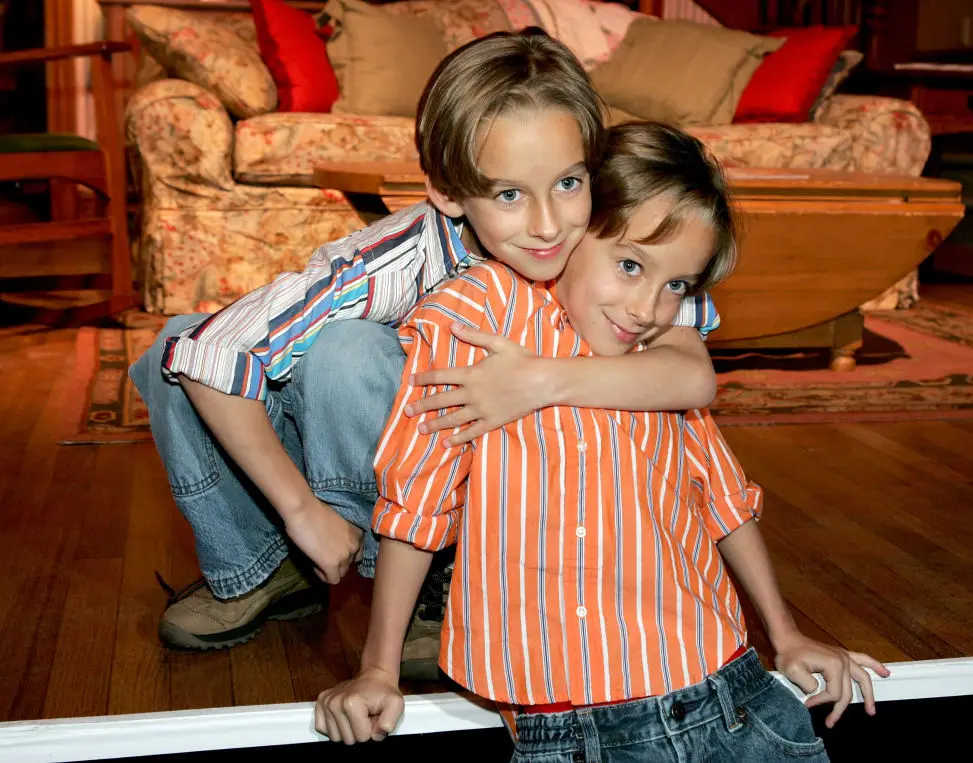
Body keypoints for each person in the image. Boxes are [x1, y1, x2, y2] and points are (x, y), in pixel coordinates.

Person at [128, 29, 720, 657]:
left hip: (539, 508)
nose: (548, 224)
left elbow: (690, 371)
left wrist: (542, 378)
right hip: (395, 469)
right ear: (446, 190)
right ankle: (273, 563)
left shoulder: (610, 238)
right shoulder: (395, 258)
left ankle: (440, 580)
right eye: (509, 194)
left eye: (569, 183)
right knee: (182, 345)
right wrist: (302, 511)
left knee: (343, 354)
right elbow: (210, 352)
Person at [315, 122, 890, 760]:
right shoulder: (476, 318)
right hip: (572, 734)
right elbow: (418, 498)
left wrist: (786, 636)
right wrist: (379, 668)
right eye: (630, 265)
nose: (647, 307)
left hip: (731, 694)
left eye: (677, 286)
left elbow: (721, 496)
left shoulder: (654, 353)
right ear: (577, 224)